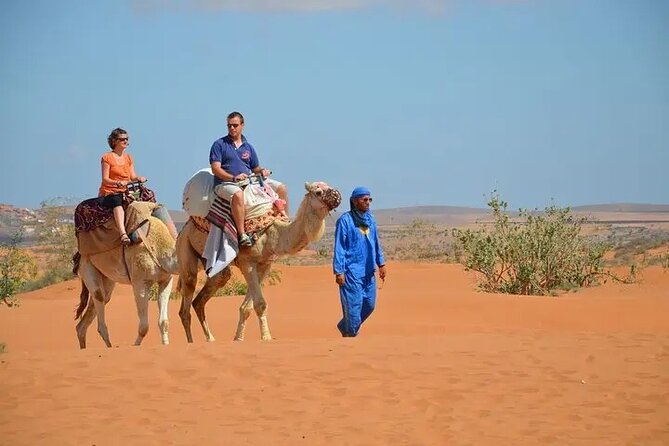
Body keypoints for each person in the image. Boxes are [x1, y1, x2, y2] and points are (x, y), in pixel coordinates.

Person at [209, 111, 288, 247]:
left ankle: (284, 221)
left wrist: (262, 171)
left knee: (281, 187)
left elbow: (255, 168)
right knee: (238, 195)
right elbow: (215, 169)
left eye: (235, 125)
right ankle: (242, 235)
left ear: (242, 125)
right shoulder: (219, 144)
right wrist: (233, 178)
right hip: (225, 183)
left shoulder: (248, 147)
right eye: (229, 126)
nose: (232, 128)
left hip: (249, 180)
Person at [333, 186, 387, 337]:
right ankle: (350, 336)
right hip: (351, 273)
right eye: (364, 199)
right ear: (355, 201)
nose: (368, 202)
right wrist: (339, 271)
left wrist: (381, 263)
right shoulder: (345, 221)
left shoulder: (371, 219)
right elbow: (340, 247)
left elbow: (376, 243)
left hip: (369, 272)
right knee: (353, 307)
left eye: (370, 199)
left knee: (369, 305)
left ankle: (345, 326)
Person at [98, 128, 147, 245]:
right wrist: (117, 183)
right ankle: (123, 234)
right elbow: (105, 179)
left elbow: (132, 176)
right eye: (122, 139)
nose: (125, 141)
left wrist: (139, 178)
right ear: (114, 141)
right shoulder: (107, 158)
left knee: (148, 197)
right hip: (110, 192)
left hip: (126, 191)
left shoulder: (128, 158)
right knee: (117, 201)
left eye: (127, 139)